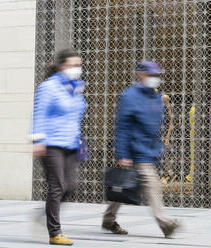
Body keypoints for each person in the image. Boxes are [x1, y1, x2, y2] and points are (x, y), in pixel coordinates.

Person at [102, 61, 180, 238]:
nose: (155, 79)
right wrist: (122, 153)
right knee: (153, 186)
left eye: (156, 75)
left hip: (150, 150)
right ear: (140, 75)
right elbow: (122, 127)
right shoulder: (129, 96)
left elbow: (157, 125)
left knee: (124, 188)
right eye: (151, 75)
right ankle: (165, 223)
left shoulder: (155, 97)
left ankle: (108, 220)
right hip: (136, 151)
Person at [32, 49, 86, 246]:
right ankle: (55, 232)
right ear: (62, 66)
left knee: (71, 186)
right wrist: (37, 140)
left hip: (71, 142)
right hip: (51, 143)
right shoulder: (48, 87)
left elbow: (76, 115)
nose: (77, 69)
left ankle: (45, 213)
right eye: (73, 65)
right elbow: (39, 113)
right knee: (57, 186)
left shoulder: (76, 87)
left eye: (79, 65)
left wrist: (79, 138)